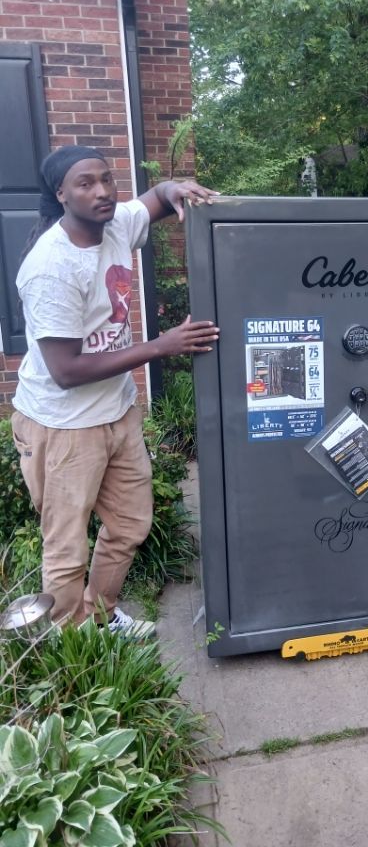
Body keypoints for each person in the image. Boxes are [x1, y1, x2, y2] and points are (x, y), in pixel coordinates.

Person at [11, 145, 220, 637]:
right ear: (60, 194)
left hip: (116, 412)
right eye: (85, 184)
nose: (102, 191)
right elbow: (65, 369)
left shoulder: (115, 224)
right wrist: (161, 345)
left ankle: (100, 616)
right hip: (62, 425)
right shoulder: (51, 268)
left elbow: (155, 198)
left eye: (106, 179)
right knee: (66, 548)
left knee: (129, 524)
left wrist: (176, 190)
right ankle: (69, 646)